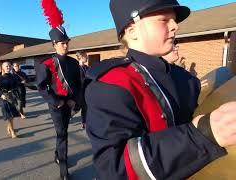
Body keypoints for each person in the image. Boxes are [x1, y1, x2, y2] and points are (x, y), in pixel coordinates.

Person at [85, 0, 236, 179]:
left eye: (174, 20)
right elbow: (115, 168)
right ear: (132, 31)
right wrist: (203, 134)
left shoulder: (186, 78)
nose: (175, 26)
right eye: (164, 20)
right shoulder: (110, 84)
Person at [37, 0, 82, 178]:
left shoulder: (74, 62)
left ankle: (57, 154)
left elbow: (79, 84)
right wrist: (57, 101)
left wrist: (75, 100)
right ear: (54, 45)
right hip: (56, 105)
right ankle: (64, 171)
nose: (65, 45)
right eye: (61, 43)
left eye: (66, 42)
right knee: (62, 134)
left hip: (70, 105)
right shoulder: (47, 64)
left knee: (62, 133)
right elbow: (41, 87)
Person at [0, 62, 20, 138]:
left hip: (12, 97)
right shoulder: (1, 77)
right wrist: (1, 94)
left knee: (12, 115)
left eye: (9, 66)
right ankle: (13, 131)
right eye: (6, 66)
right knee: (9, 115)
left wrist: (13, 91)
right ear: (3, 68)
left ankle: (9, 127)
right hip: (4, 98)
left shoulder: (13, 76)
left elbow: (16, 86)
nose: (8, 67)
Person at [76, 51, 89, 129]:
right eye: (85, 56)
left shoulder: (87, 67)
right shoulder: (76, 68)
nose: (87, 58)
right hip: (79, 91)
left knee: (85, 107)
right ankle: (67, 115)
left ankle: (84, 123)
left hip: (86, 90)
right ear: (80, 57)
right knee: (76, 107)